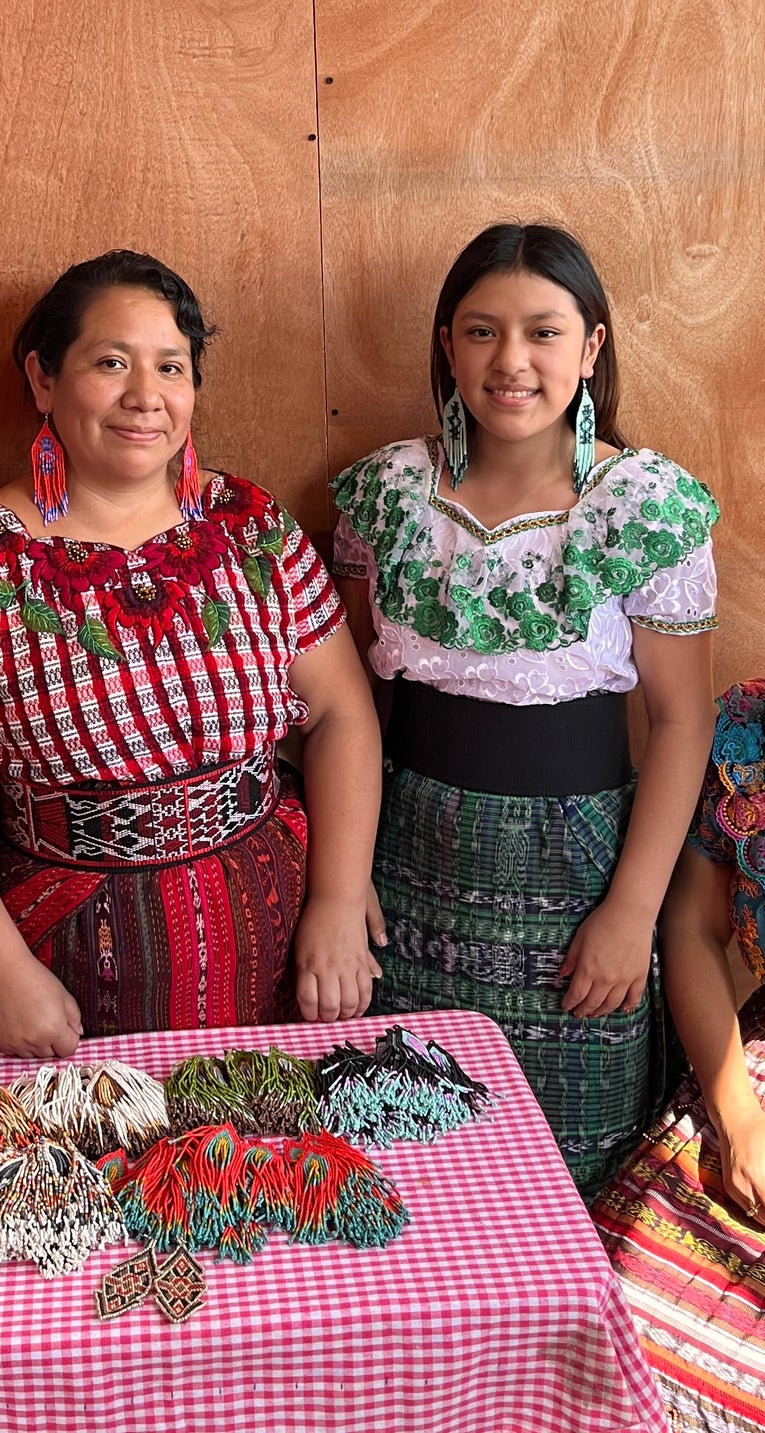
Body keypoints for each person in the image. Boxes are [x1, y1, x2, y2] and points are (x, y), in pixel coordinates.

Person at [0, 249, 382, 1060]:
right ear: (42, 380)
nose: (146, 396)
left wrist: (338, 899)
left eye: (170, 367)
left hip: (270, 930)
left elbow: (340, 714)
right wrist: (1, 971)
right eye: (111, 363)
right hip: (62, 952)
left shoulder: (251, 527)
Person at [331, 223, 718, 1195]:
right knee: (398, 1149)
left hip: (577, 872)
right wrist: (341, 876)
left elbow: (680, 723)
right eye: (480, 331)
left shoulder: (642, 505)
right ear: (446, 345)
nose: (510, 360)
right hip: (400, 858)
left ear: (590, 347)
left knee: (565, 1161)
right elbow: (349, 703)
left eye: (542, 332)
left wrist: (630, 911)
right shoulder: (387, 492)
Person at [592, 679, 765, 1431]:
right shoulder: (746, 735)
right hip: (749, 1073)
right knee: (610, 1309)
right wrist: (739, 1119)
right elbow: (692, 928)